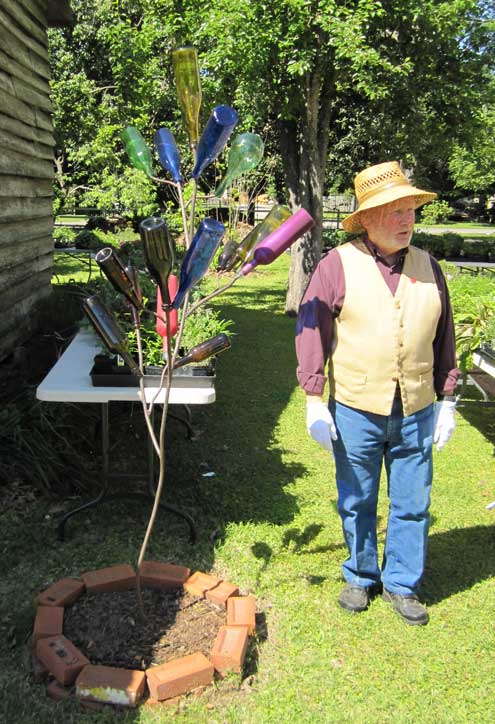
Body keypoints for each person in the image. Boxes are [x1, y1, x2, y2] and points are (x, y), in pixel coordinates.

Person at [295, 161, 459, 625]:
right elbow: (312, 331)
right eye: (394, 211)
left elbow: (443, 335)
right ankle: (360, 574)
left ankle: (402, 583)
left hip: (417, 409)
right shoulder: (336, 265)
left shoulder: (430, 268)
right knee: (357, 497)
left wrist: (448, 400)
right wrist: (312, 398)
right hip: (355, 408)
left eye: (410, 209)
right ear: (366, 219)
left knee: (412, 502)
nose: (406, 219)